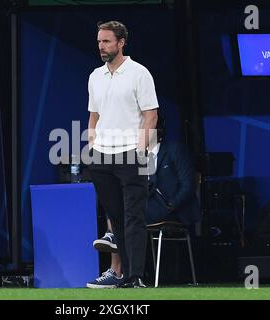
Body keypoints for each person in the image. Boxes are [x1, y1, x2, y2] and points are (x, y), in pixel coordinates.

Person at [87, 115, 202, 288]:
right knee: (116, 205)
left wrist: (172, 204)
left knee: (126, 218)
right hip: (145, 207)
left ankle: (116, 267)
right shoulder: (133, 157)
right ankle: (116, 261)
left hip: (171, 209)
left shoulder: (175, 150)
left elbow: (188, 185)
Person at [87, 21, 159, 288]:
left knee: (134, 217)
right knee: (115, 218)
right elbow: (93, 116)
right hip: (102, 157)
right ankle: (123, 275)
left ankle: (135, 276)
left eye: (106, 41)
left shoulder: (139, 73)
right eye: (99, 42)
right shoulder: (95, 76)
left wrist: (141, 150)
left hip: (131, 153)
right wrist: (92, 146)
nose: (101, 47)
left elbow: (151, 115)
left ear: (121, 42)